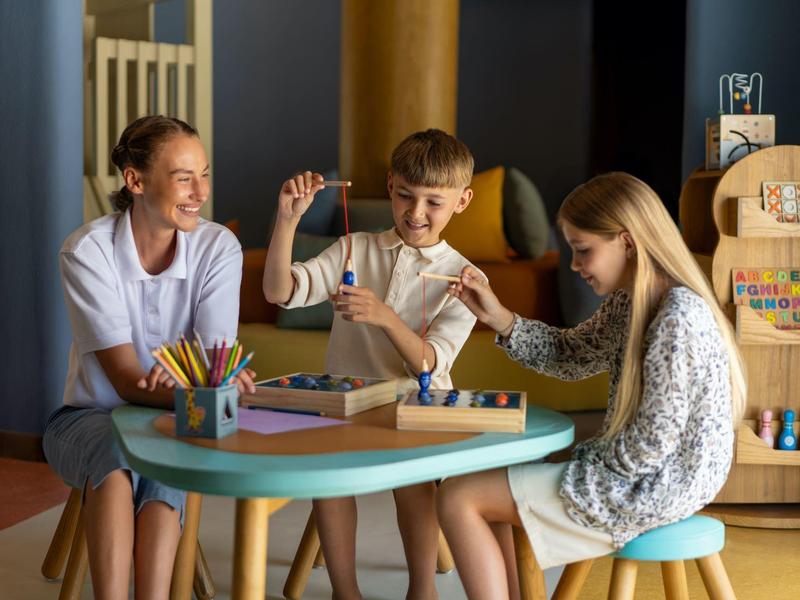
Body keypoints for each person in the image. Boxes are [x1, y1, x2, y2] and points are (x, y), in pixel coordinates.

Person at [438, 172, 747, 599]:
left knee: (457, 497)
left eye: (583, 250)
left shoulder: (678, 318)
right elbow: (569, 355)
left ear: (627, 240)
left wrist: (580, 459)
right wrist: (499, 317)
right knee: (480, 489)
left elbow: (651, 443)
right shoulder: (631, 302)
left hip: (657, 483)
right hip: (651, 474)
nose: (575, 264)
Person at [43, 115, 255, 599]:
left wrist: (206, 387)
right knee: (120, 455)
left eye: (204, 174)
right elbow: (125, 382)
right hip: (86, 418)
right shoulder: (87, 251)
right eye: (183, 177)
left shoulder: (218, 247)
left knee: (165, 458)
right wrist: (205, 393)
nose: (199, 191)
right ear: (135, 181)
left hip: (174, 419)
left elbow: (214, 364)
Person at [263, 129, 481, 599]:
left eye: (433, 202)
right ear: (389, 186)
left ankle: (422, 588)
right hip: (347, 406)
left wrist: (383, 316)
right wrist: (286, 221)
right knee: (331, 475)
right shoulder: (353, 248)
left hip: (418, 410)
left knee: (416, 478)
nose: (416, 212)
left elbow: (428, 363)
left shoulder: (465, 279)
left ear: (462, 201)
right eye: (405, 195)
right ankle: (346, 590)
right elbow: (279, 292)